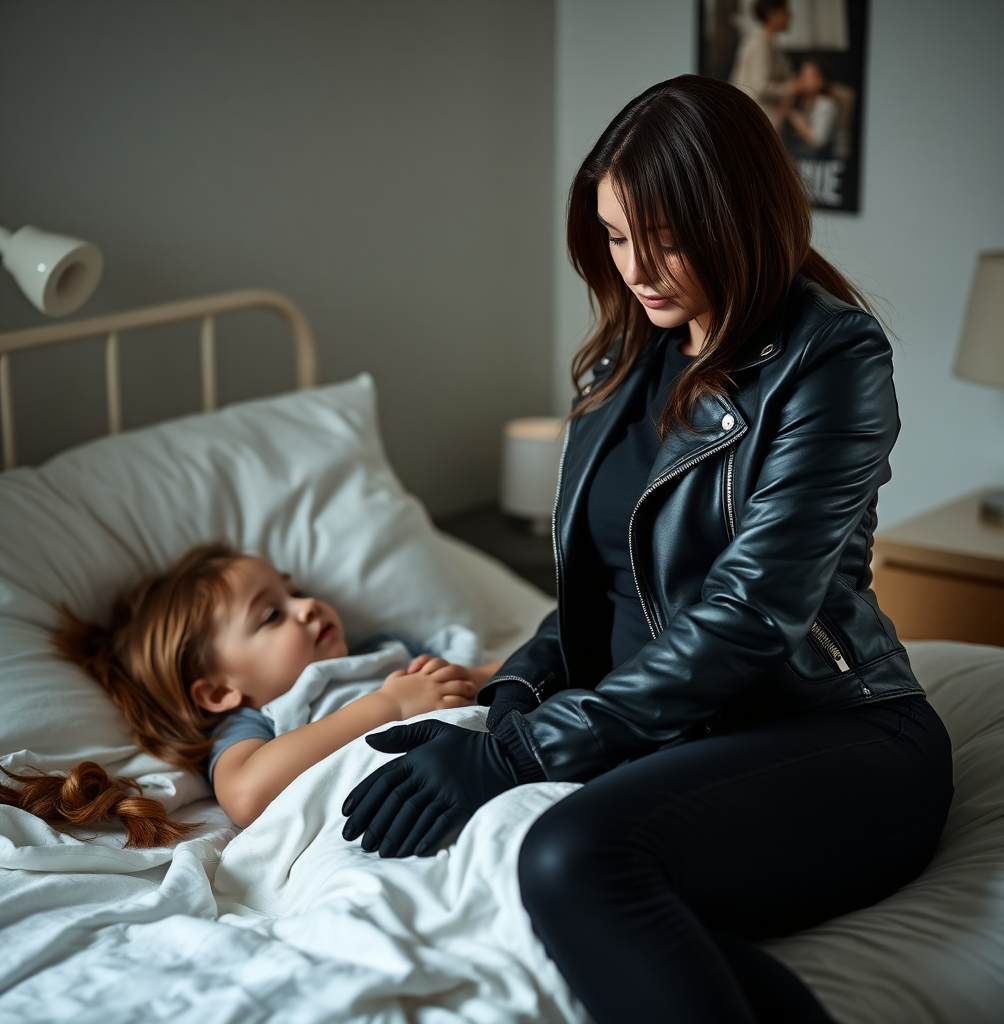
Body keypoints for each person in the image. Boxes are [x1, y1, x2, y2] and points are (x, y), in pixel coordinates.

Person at [341, 76, 954, 1023]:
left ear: (739, 215)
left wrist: (514, 759)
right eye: (617, 236)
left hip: (831, 736)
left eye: (664, 236)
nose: (636, 267)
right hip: (670, 738)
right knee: (563, 872)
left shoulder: (831, 359)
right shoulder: (620, 359)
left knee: (570, 856)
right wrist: (510, 704)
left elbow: (750, 619)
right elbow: (598, 594)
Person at [0, 542, 496, 843]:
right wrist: (388, 705)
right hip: (412, 805)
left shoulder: (388, 653)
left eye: (294, 591)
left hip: (493, 752)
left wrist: (470, 678)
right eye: (272, 615)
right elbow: (245, 793)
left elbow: (488, 678)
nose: (307, 607)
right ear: (219, 691)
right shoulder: (259, 720)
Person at [729, 0, 796, 128]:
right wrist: (790, 88)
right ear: (772, 14)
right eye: (786, 12)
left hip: (764, 110)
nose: (790, 16)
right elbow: (760, 87)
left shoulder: (770, 42)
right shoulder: (759, 43)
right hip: (755, 112)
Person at [783, 58, 838, 159]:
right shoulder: (799, 102)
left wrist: (796, 118)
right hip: (799, 159)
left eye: (810, 76)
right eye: (802, 74)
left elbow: (817, 141)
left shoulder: (825, 104)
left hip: (819, 161)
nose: (804, 79)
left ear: (821, 81)